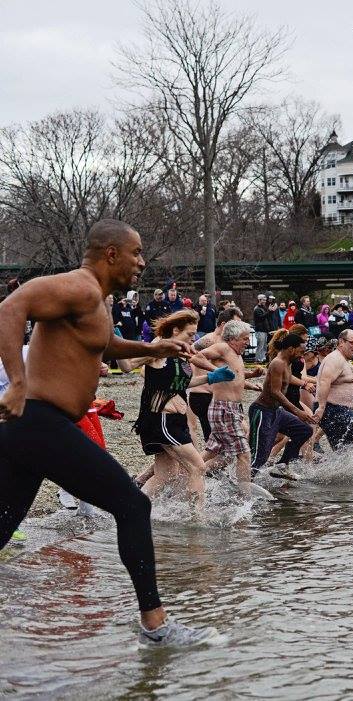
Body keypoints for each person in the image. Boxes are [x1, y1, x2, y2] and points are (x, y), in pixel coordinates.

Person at [0, 218, 217, 646]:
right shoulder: (79, 286)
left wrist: (153, 347)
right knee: (133, 505)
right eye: (136, 253)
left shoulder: (95, 304)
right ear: (111, 254)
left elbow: (106, 346)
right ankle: (156, 625)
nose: (142, 262)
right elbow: (9, 309)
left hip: (33, 429)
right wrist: (18, 382)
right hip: (41, 420)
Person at [119, 309, 231, 517]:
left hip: (175, 420)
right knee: (198, 466)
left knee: (165, 475)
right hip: (161, 419)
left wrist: (210, 378)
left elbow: (182, 382)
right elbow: (127, 366)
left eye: (195, 334)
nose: (194, 338)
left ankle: (132, 509)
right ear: (176, 330)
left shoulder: (180, 354)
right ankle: (197, 517)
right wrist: (115, 343)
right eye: (190, 334)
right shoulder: (159, 349)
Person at [195, 320, 256, 491]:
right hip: (223, 409)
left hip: (232, 409)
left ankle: (192, 474)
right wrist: (214, 371)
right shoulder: (222, 348)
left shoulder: (237, 354)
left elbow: (235, 377)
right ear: (234, 337)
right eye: (244, 338)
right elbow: (196, 356)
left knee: (214, 453)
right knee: (244, 454)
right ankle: (245, 497)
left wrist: (252, 376)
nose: (247, 342)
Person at [247, 331, 315, 478]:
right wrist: (298, 412)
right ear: (291, 349)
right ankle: (244, 483)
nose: (301, 355)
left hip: (276, 411)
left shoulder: (287, 363)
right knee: (260, 456)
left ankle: (282, 465)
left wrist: (305, 384)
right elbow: (276, 392)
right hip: (262, 411)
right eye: (300, 351)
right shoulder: (277, 363)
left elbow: (288, 378)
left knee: (304, 431)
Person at [252, 294, 272, 363]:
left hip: (264, 330)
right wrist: (269, 311)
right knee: (260, 345)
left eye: (265, 300)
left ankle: (263, 359)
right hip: (260, 330)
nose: (265, 301)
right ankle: (257, 359)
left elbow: (267, 317)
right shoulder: (257, 308)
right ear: (259, 300)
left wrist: (270, 311)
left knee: (264, 346)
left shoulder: (263, 308)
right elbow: (261, 317)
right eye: (263, 300)